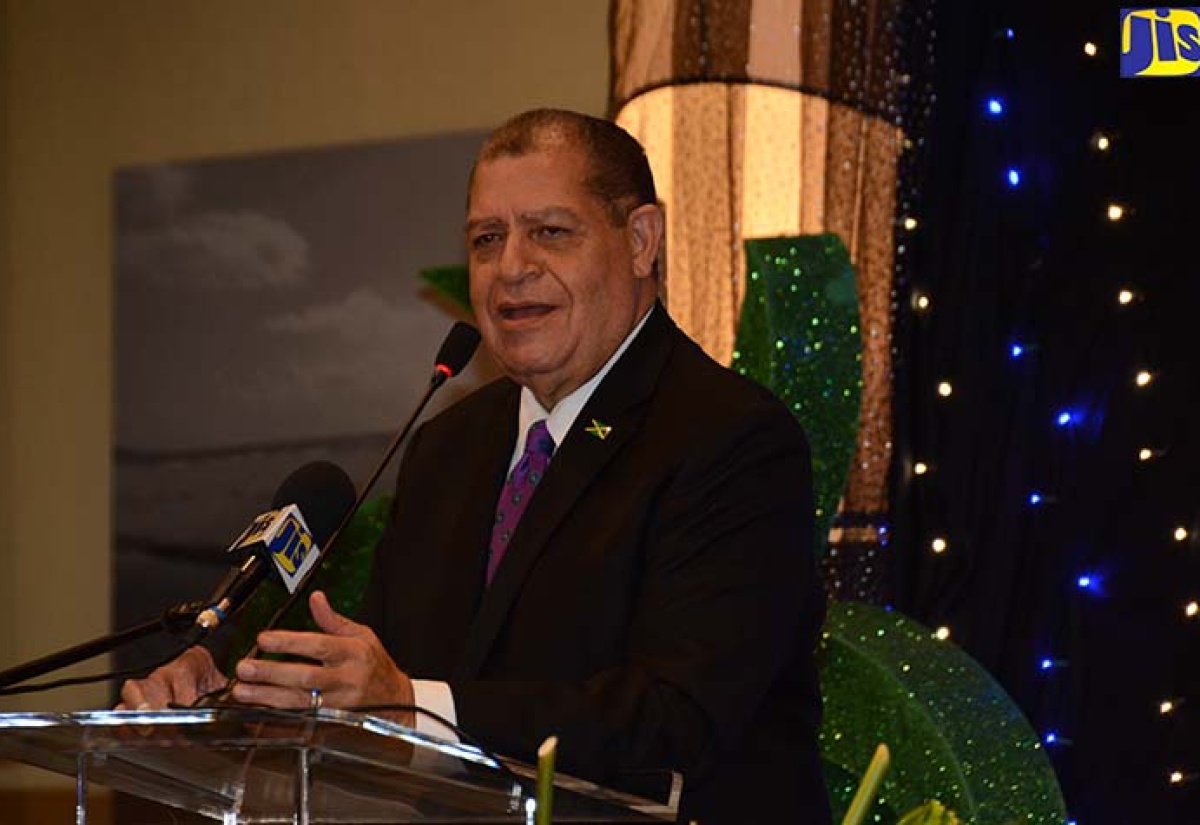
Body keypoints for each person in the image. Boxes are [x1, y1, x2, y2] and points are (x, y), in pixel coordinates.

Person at [121, 109, 831, 824]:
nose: (512, 268)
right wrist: (233, 699)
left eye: (550, 231)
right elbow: (379, 674)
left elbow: (678, 717)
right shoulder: (449, 448)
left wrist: (408, 700)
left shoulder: (732, 437)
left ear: (642, 240)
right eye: (487, 239)